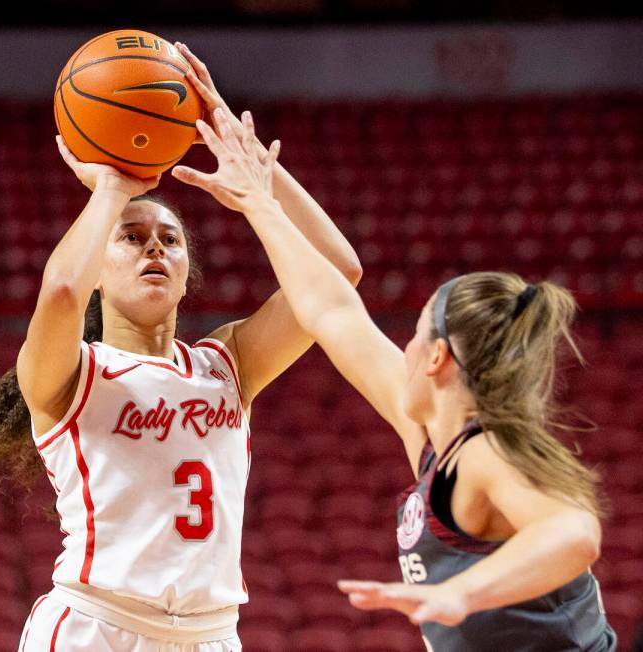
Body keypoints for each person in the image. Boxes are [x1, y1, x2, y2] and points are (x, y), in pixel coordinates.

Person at [0, 45, 361, 652]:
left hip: (212, 634)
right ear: (99, 272)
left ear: (189, 274)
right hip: (95, 627)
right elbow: (59, 290)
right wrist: (111, 189)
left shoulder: (227, 363)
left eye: (170, 240)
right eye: (131, 239)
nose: (155, 249)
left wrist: (257, 181)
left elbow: (337, 274)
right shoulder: (71, 372)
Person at [173, 109, 617, 651]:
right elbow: (332, 310)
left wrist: (463, 595)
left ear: (435, 359)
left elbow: (575, 533)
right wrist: (258, 199)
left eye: (413, 333)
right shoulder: (434, 440)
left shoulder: (488, 452)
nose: (398, 348)